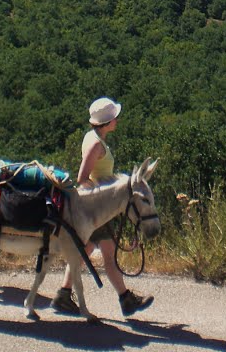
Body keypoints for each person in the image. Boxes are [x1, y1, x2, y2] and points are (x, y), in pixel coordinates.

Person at [51, 97, 154, 317]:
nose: (117, 120)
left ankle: (64, 294)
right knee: (104, 255)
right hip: (96, 209)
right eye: (114, 118)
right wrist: (104, 197)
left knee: (88, 252)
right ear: (107, 122)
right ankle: (124, 299)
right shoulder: (97, 144)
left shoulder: (95, 137)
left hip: (98, 209)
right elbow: (82, 177)